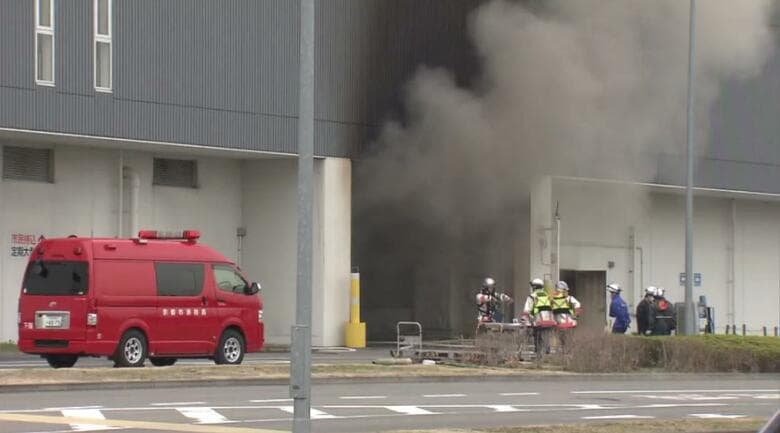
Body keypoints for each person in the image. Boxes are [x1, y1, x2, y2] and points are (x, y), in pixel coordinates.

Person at [522, 278, 556, 354]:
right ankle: (547, 354)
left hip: (538, 321)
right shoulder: (547, 295)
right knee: (547, 339)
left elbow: (527, 309)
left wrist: (524, 320)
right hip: (549, 321)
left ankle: (538, 355)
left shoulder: (532, 296)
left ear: (534, 287)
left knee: (538, 339)